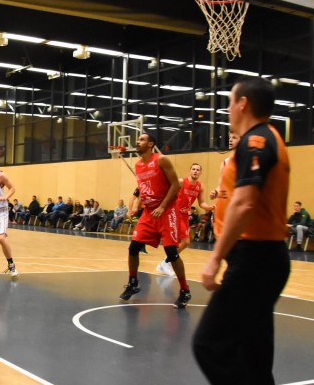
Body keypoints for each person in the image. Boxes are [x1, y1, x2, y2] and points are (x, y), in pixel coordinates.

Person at [193, 77, 291, 384]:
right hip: (263, 259)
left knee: (209, 345)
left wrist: (215, 257)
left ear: (243, 104)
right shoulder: (266, 139)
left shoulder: (256, 141)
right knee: (254, 354)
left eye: (230, 101)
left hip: (255, 261)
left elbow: (244, 203)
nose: (228, 108)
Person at [119, 133, 190, 308]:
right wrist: (137, 205)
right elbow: (144, 188)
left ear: (151, 144)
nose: (137, 142)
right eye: (138, 139)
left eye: (142, 139)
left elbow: (176, 185)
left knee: (171, 252)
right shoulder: (137, 165)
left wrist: (162, 206)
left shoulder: (161, 160)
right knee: (134, 247)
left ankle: (184, 290)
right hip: (149, 212)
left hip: (166, 211)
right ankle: (133, 282)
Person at [157, 163, 214, 275]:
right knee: (179, 241)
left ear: (200, 173)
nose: (195, 171)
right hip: (174, 212)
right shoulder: (181, 182)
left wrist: (210, 207)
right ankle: (167, 262)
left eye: (198, 170)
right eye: (193, 169)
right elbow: (168, 191)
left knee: (186, 242)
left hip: (184, 215)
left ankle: (165, 262)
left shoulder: (200, 186)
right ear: (190, 171)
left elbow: (201, 203)